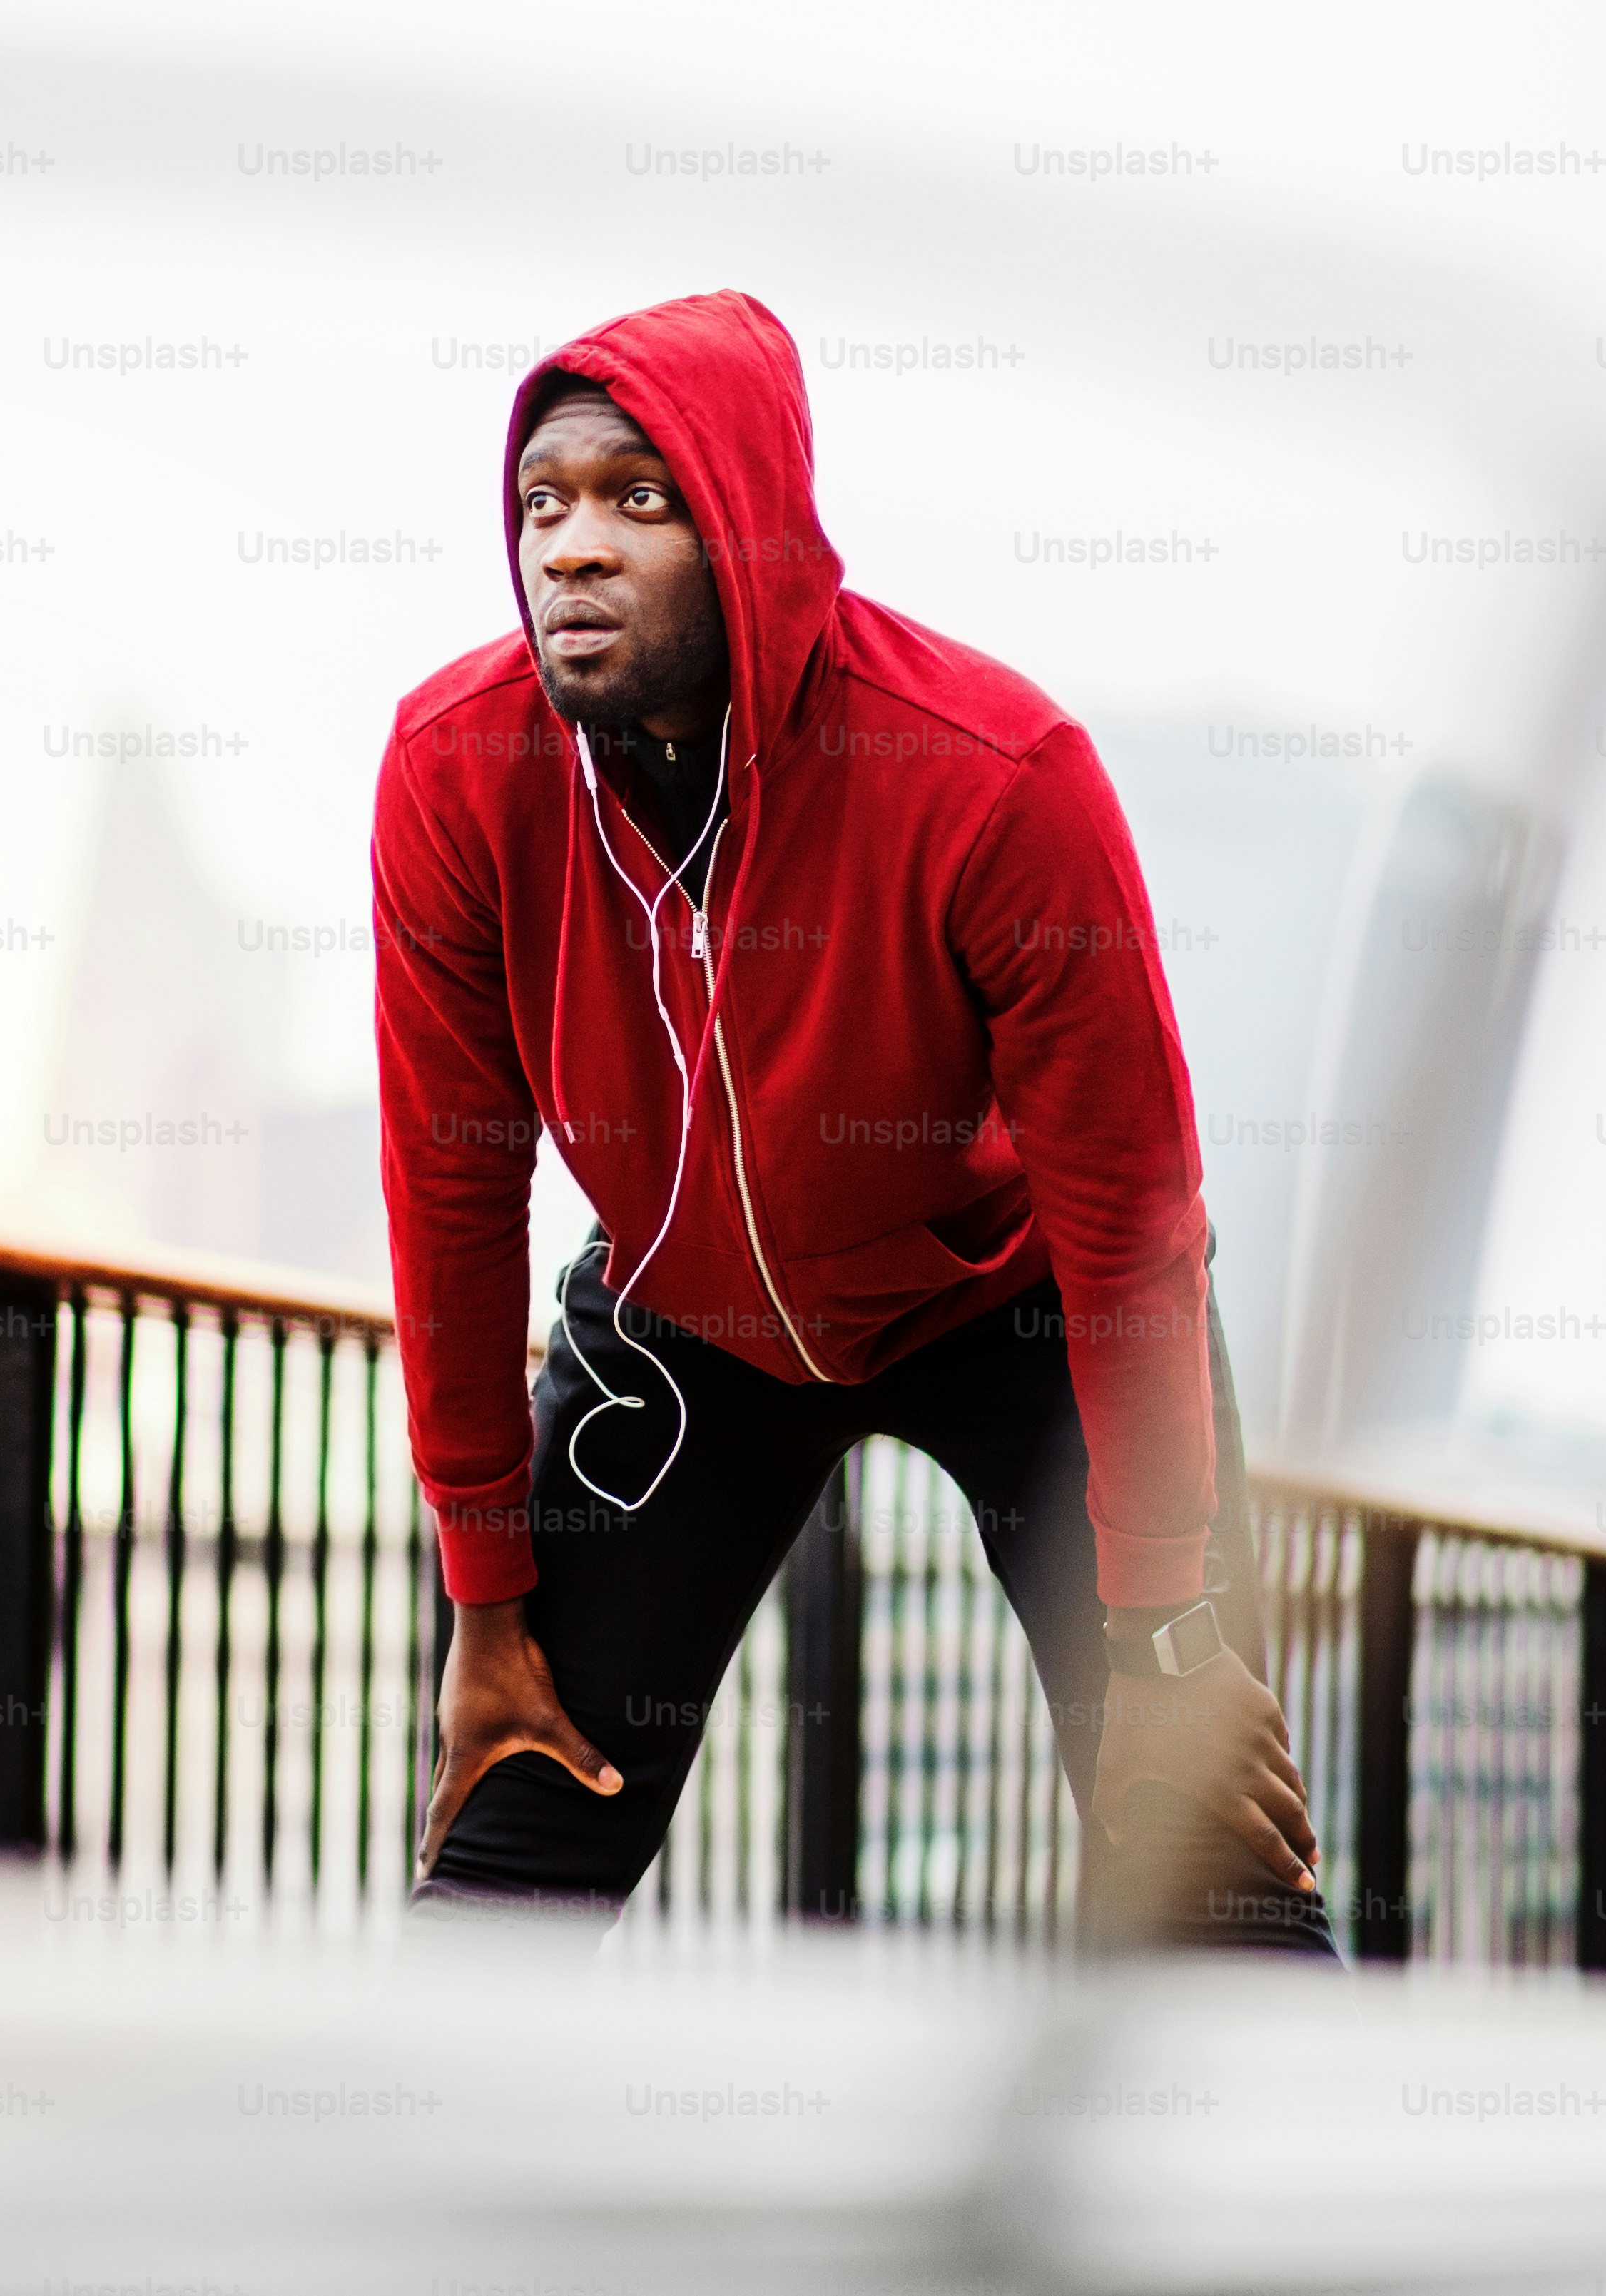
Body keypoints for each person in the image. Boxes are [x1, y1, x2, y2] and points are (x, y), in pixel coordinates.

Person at [371, 288, 1331, 1950]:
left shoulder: (993, 773)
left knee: (1212, 1868)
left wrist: (1169, 1626)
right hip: (690, 1329)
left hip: (1016, 1311)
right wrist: (484, 1604)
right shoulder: (459, 772)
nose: (573, 550)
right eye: (543, 504)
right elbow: (452, 1188)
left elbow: (1130, 1218)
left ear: (746, 525)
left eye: (637, 499)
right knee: (501, 1877)